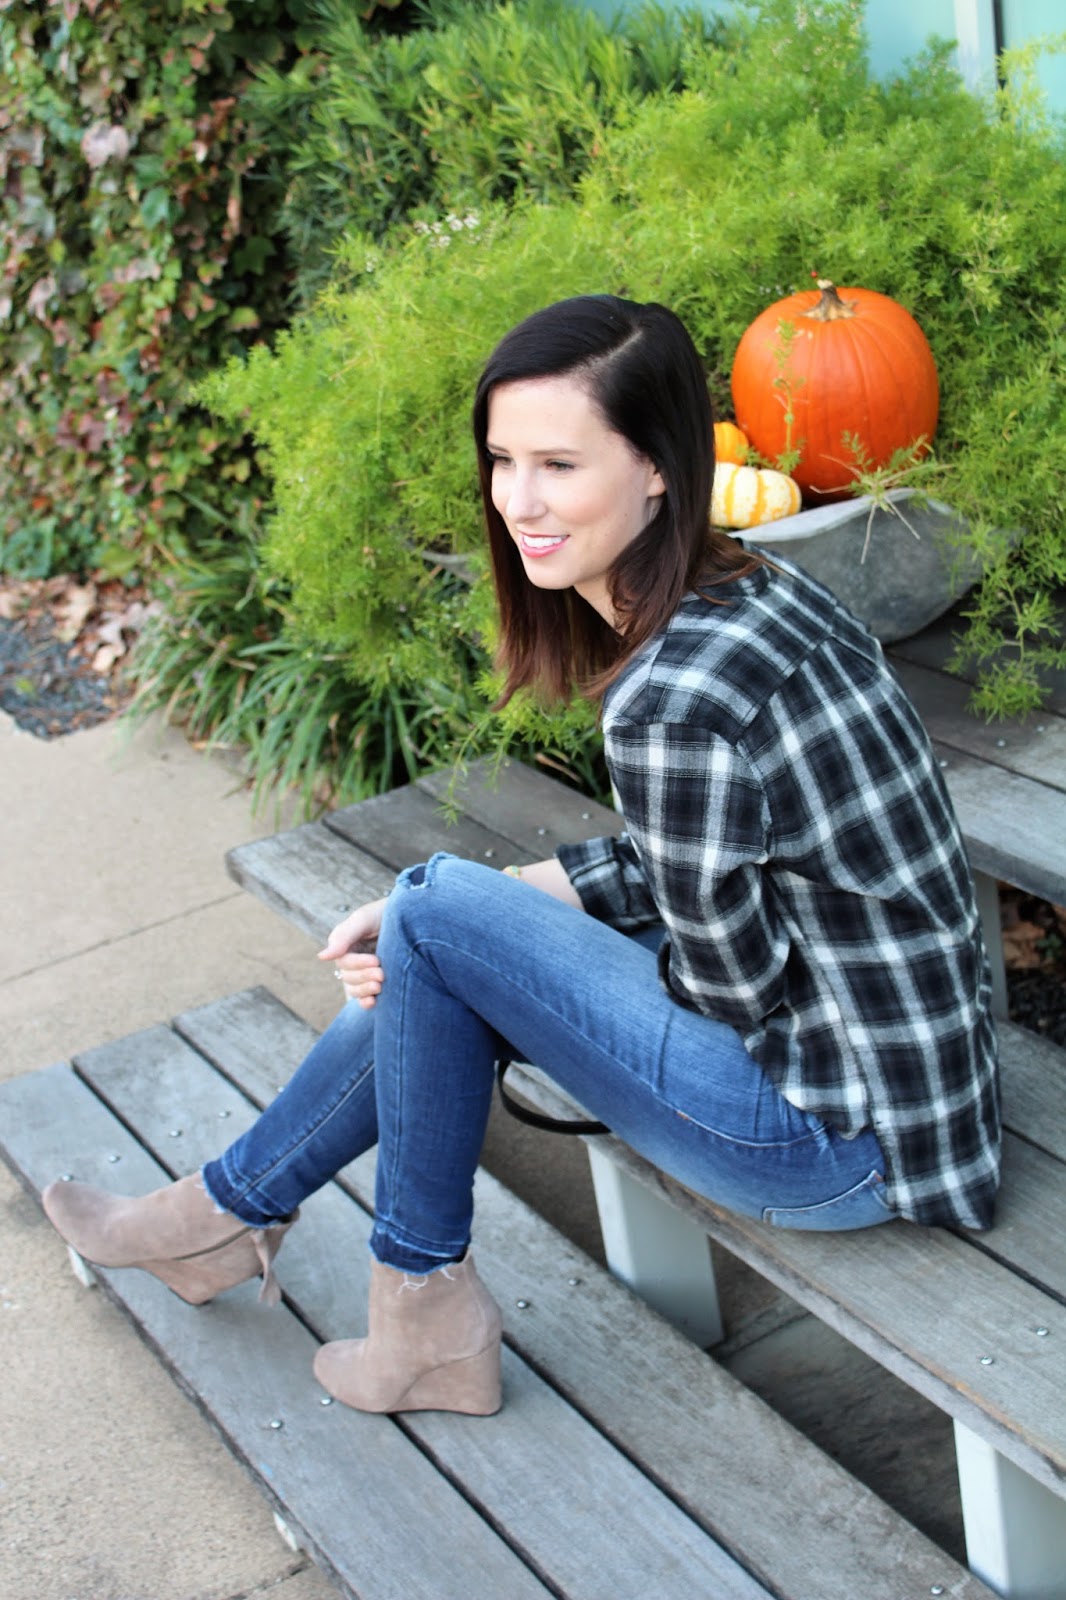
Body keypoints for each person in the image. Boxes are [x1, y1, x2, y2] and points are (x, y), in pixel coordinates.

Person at [41, 294, 1000, 1419]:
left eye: (559, 464)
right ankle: (240, 1225)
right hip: (902, 1082)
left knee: (438, 917)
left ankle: (376, 1289)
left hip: (835, 1135)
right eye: (503, 460)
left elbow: (731, 989)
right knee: (442, 924)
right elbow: (705, 858)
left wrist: (486, 951)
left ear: (658, 467)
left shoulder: (672, 695)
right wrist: (495, 926)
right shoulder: (758, 589)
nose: (520, 501)